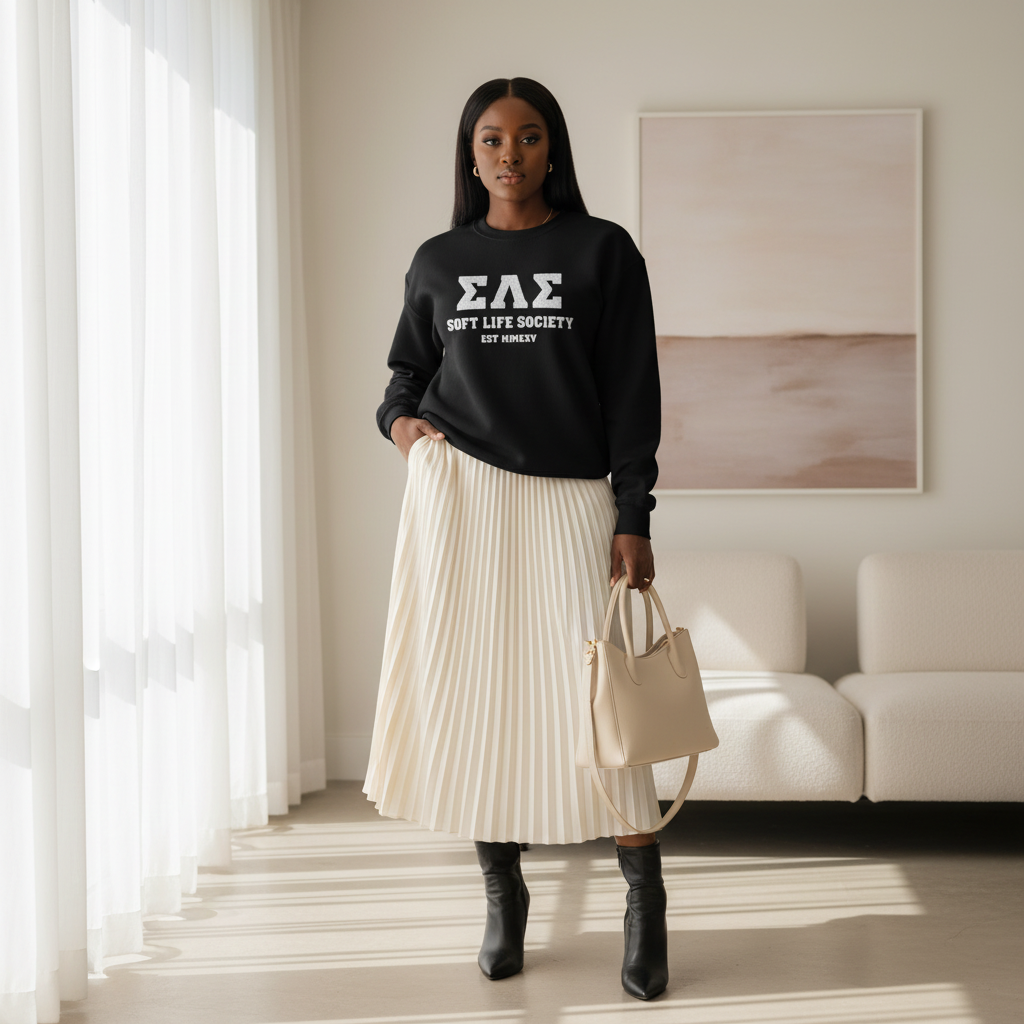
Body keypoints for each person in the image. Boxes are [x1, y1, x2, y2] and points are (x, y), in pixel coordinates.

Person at [365, 77, 667, 1001]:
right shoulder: (438, 258)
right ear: (470, 154)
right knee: (483, 700)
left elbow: (632, 392)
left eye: (528, 138)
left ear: (553, 150)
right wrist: (404, 429)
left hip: (572, 501)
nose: (509, 154)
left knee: (601, 707)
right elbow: (402, 380)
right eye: (491, 139)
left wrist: (632, 512)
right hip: (464, 500)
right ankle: (503, 894)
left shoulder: (602, 250)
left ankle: (645, 903)